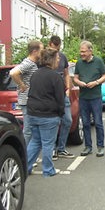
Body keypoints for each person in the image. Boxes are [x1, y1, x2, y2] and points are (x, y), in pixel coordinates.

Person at [25, 48, 65, 177]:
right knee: (48, 143)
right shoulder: (56, 77)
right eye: (57, 58)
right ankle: (48, 170)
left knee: (35, 141)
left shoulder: (35, 74)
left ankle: (25, 167)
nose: (59, 60)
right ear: (52, 59)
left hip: (32, 113)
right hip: (48, 115)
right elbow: (60, 98)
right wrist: (61, 113)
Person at [73, 41, 105, 157]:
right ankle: (88, 146)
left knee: (98, 123)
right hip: (83, 97)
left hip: (95, 97)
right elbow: (75, 78)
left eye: (83, 51)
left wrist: (96, 82)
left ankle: (100, 146)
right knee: (86, 123)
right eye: (80, 51)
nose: (81, 53)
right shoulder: (78, 63)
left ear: (90, 51)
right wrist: (80, 83)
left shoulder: (98, 61)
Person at [9, 40, 43, 146]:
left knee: (32, 129)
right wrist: (22, 85)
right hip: (27, 101)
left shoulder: (32, 63)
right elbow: (13, 73)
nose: (42, 53)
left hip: (31, 100)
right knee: (28, 130)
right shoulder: (28, 63)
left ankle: (29, 155)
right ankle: (25, 155)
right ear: (34, 51)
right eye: (41, 50)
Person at [49, 35, 74, 159]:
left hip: (63, 93)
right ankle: (52, 149)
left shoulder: (63, 57)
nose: (56, 53)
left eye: (58, 49)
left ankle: (61, 148)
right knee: (53, 122)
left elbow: (66, 74)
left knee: (67, 120)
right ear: (50, 44)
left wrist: (68, 88)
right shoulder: (45, 57)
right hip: (51, 95)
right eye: (55, 49)